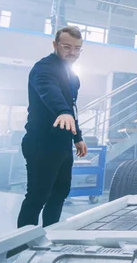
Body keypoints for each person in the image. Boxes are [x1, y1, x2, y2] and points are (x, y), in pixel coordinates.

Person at [18, 26, 88, 228]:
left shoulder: (72, 76)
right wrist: (62, 111)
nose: (72, 53)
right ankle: (22, 246)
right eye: (67, 47)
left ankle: (50, 235)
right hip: (41, 143)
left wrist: (77, 137)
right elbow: (50, 92)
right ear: (55, 45)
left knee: (59, 193)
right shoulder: (43, 68)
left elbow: (71, 107)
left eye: (77, 49)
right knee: (37, 196)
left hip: (62, 144)